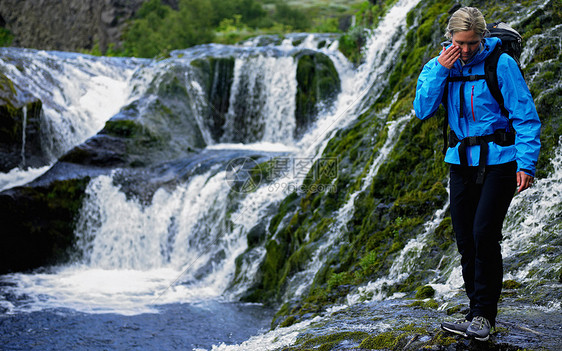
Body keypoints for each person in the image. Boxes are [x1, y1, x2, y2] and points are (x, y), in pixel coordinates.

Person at [413, 7, 541, 341]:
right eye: (460, 42)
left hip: (500, 161)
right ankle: (474, 310)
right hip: (460, 162)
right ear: (450, 39)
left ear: (482, 37)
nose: (466, 49)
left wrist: (526, 163)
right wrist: (441, 70)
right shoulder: (439, 65)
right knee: (466, 239)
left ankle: (484, 316)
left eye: (472, 43)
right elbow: (423, 109)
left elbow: (525, 117)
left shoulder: (501, 65)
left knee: (485, 234)